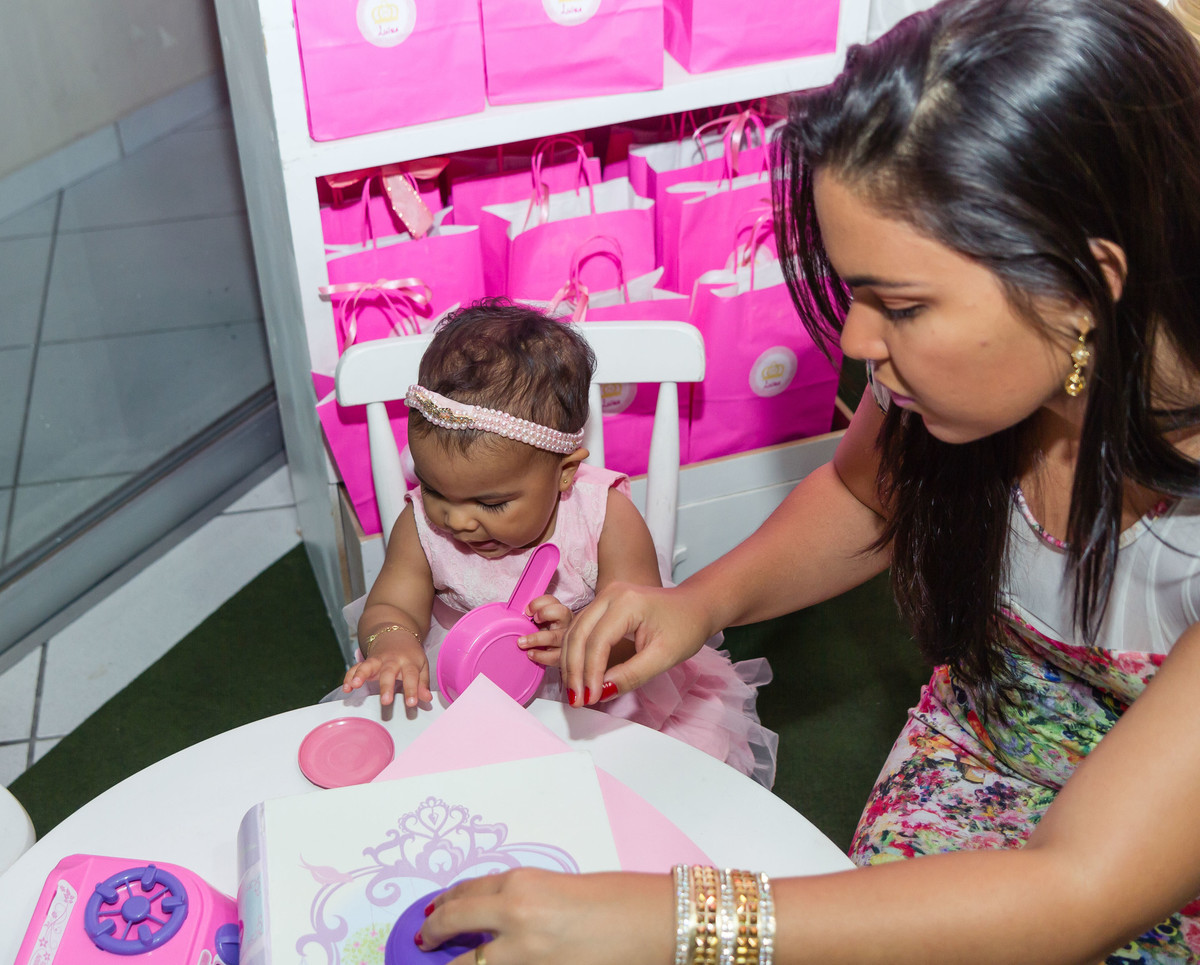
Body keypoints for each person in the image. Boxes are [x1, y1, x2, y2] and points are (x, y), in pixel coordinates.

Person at [413, 0, 1200, 962]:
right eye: (856, 291)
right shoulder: (967, 391)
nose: (859, 342)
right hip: (986, 752)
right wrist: (697, 604)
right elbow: (865, 496)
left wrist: (675, 921)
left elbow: (1078, 890)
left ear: (1085, 284)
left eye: (900, 304)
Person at [341, 299, 778, 786]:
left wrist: (584, 641)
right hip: (461, 687)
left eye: (490, 504)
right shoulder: (420, 520)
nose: (457, 520)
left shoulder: (603, 516)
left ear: (564, 473)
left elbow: (643, 631)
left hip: (599, 698)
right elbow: (388, 608)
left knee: (632, 792)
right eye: (437, 490)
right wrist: (392, 642)